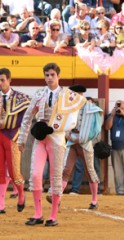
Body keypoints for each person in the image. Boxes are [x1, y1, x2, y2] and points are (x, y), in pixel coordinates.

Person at [18, 63, 86, 226]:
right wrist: (22, 138)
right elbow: (28, 117)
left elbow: (72, 121)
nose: (49, 78)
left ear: (58, 76)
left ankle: (53, 215)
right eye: (47, 75)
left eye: (52, 75)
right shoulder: (40, 93)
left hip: (56, 138)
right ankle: (38, 213)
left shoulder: (67, 96)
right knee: (35, 175)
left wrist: (54, 127)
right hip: (41, 139)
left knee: (55, 177)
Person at [0, 67, 30, 214]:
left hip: (12, 137)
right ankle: (1, 205)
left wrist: (22, 139)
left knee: (14, 172)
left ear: (9, 80)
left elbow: (24, 120)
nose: (0, 83)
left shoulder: (21, 98)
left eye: (2, 80)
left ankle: (21, 195)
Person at [58, 85, 103, 209]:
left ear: (81, 95)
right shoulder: (69, 107)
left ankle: (94, 200)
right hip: (72, 142)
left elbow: (96, 130)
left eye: (75, 94)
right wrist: (68, 135)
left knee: (90, 171)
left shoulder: (92, 109)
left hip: (85, 143)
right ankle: (58, 197)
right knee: (66, 170)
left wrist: (81, 138)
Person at [105, 100, 124, 195]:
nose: (119, 107)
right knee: (117, 171)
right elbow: (107, 127)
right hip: (115, 147)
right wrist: (112, 115)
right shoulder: (111, 116)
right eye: (117, 106)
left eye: (121, 105)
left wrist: (123, 113)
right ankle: (120, 191)